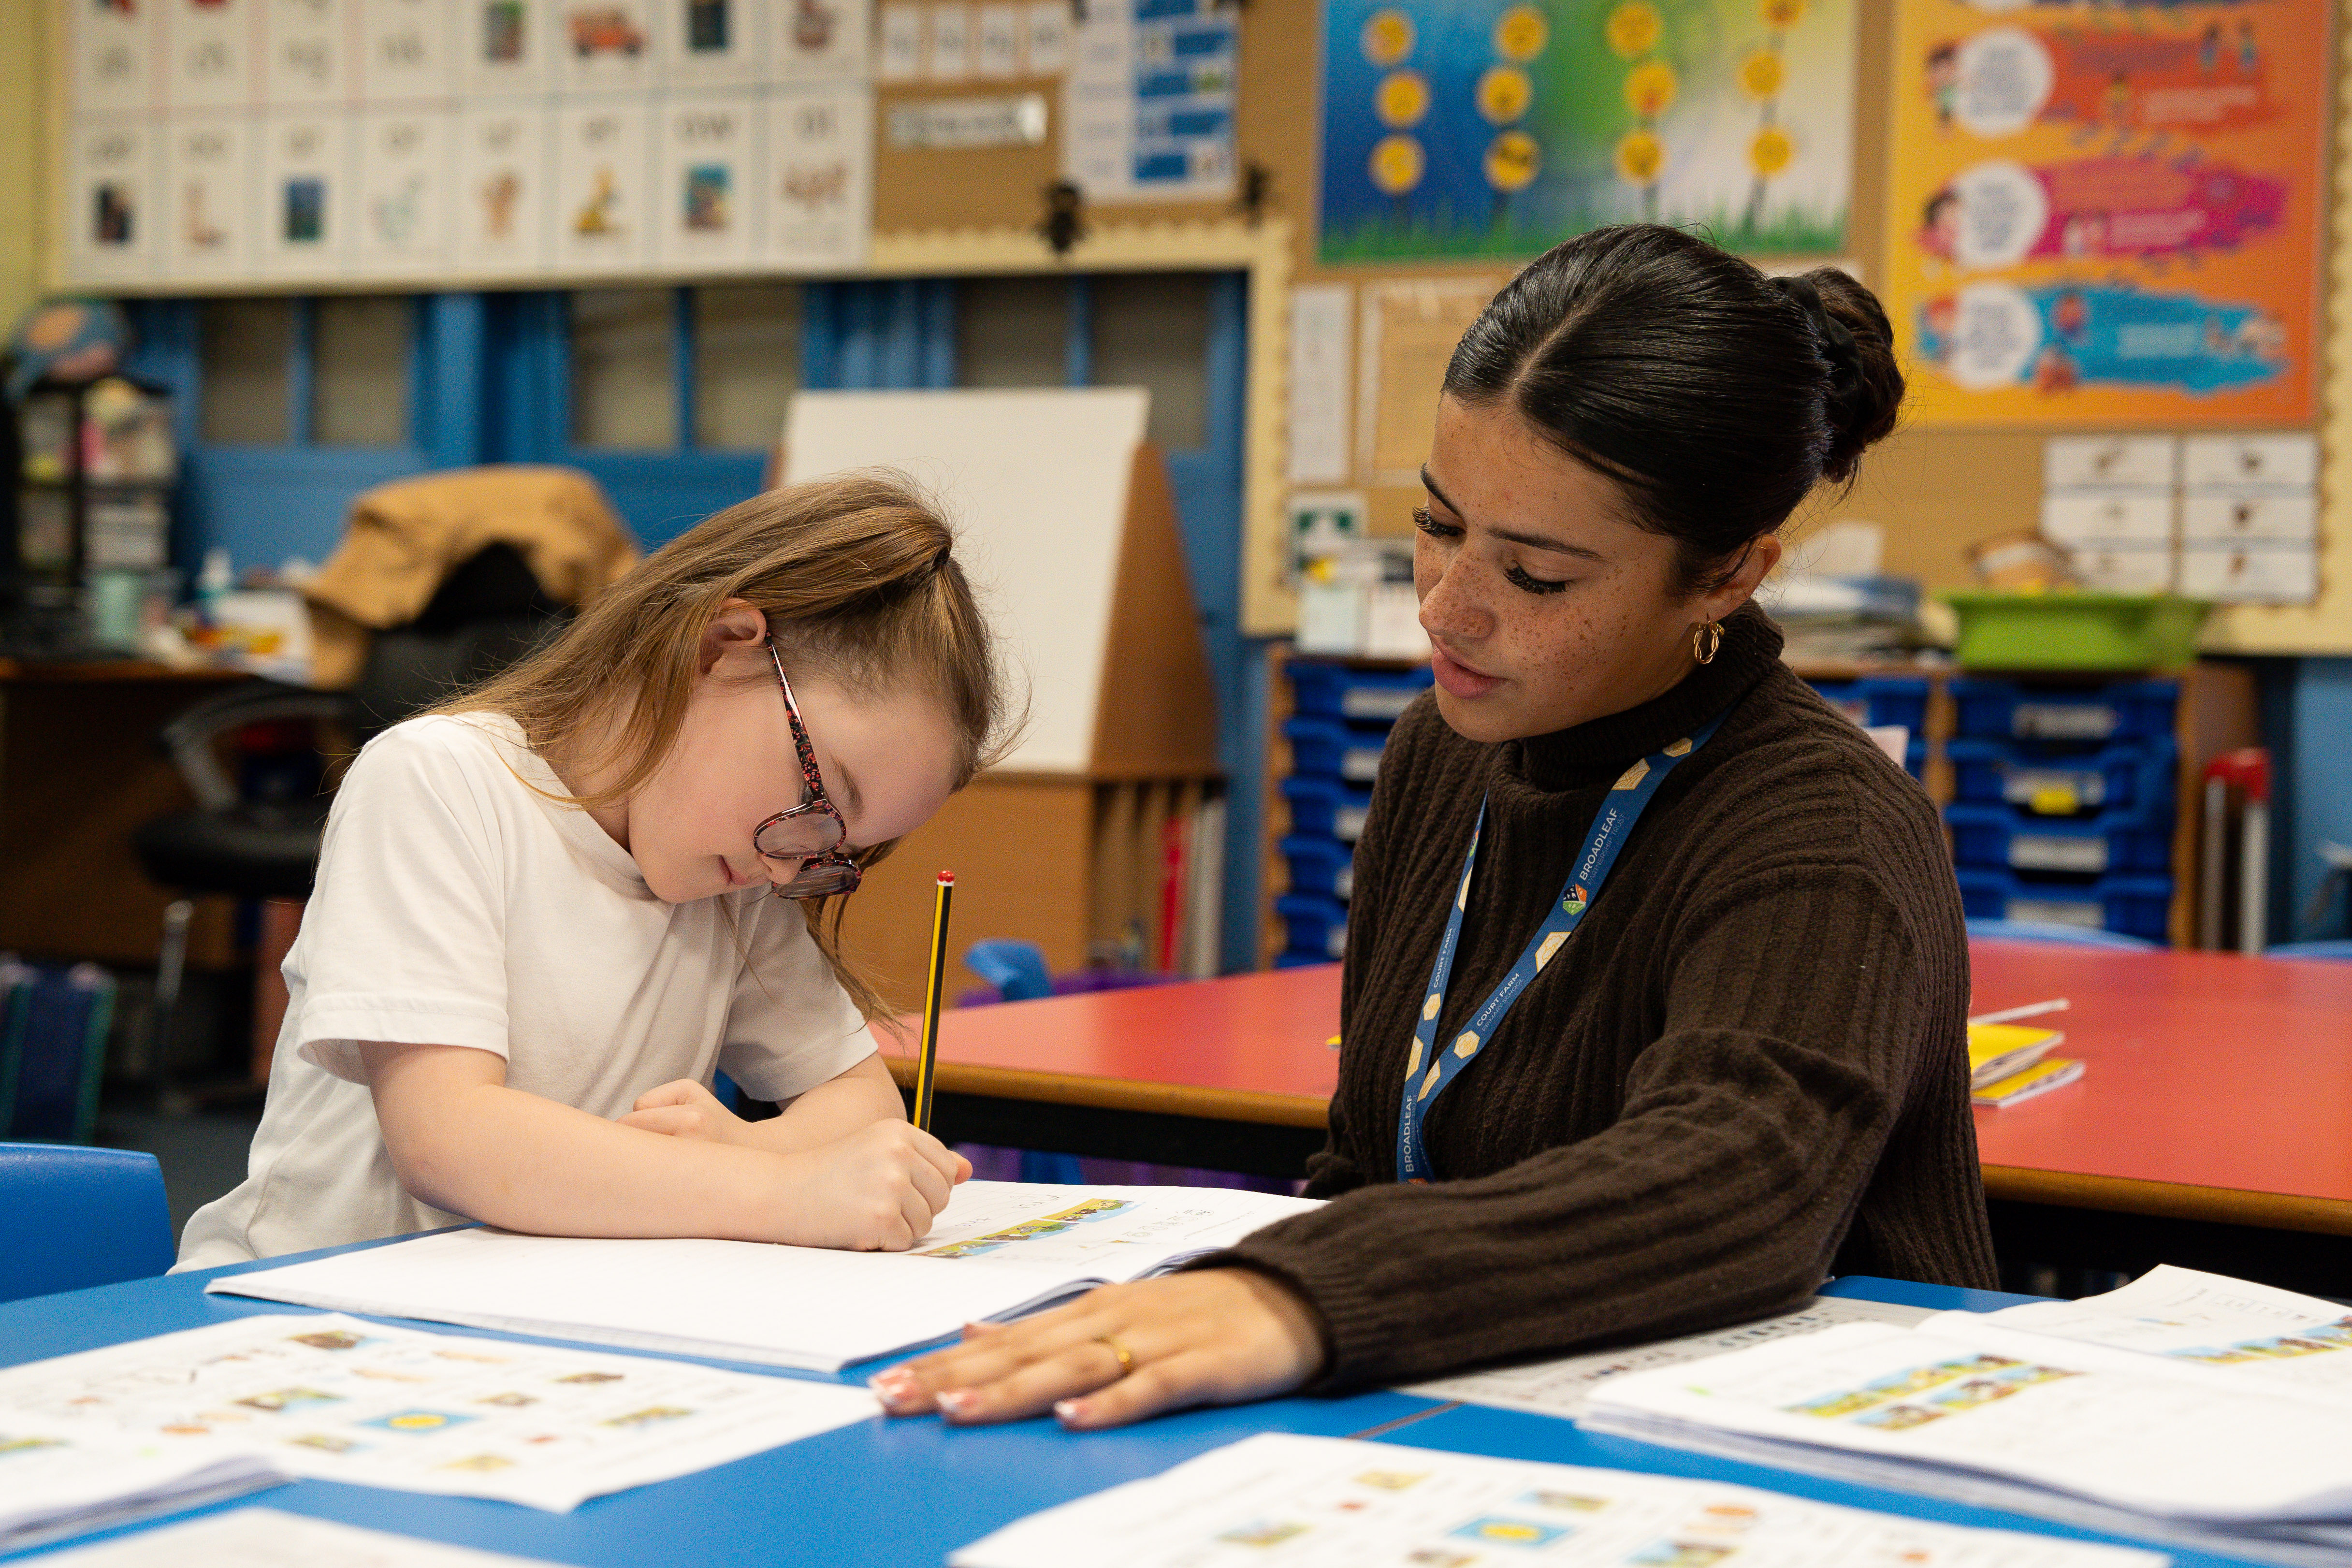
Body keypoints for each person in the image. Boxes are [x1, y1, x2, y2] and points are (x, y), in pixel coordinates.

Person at [872, 223, 1995, 1430]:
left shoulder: (1822, 823)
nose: (1449, 608)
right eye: (1439, 523)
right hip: (1480, 1401)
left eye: (1540, 576)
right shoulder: (1442, 753)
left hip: (1817, 1440)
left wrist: (1304, 1295)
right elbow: (1372, 1160)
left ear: (1727, 576)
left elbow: (1740, 1176)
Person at [176, 473, 1009, 1269]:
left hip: (532, 1329)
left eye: (835, 855)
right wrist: (780, 1184)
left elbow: (861, 1105)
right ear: (721, 648)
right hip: (302, 1309)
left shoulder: (739, 876)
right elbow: (450, 1139)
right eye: (817, 801)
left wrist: (747, 1144)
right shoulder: (442, 780)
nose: (791, 860)